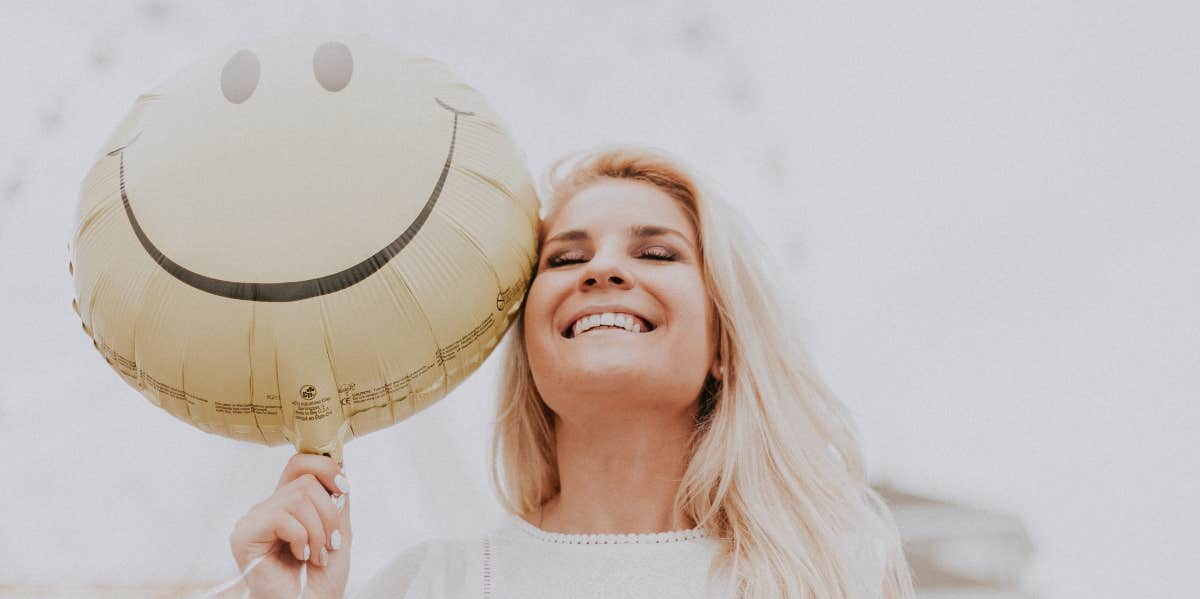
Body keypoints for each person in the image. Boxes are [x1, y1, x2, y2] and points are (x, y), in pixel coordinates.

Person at [228, 147, 916, 598]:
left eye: (657, 252)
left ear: (724, 343)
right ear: (528, 344)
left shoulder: (835, 576)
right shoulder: (430, 584)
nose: (602, 269)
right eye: (564, 258)